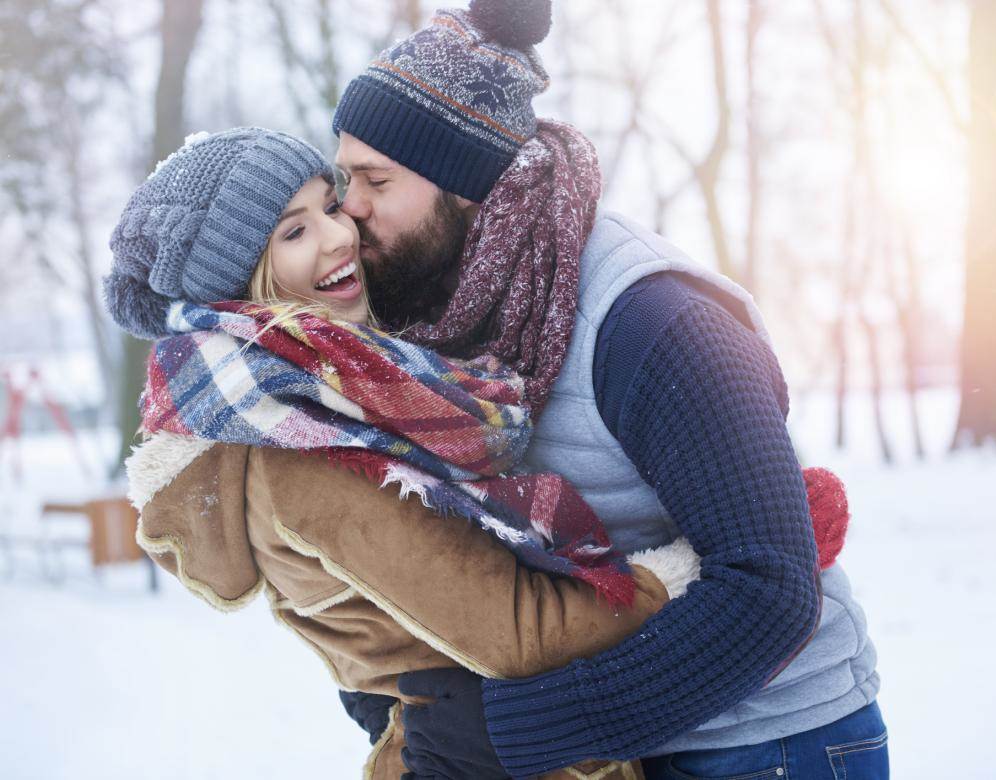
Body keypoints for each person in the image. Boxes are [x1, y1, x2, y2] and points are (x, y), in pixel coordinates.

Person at [103, 127, 844, 779]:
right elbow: (516, 631)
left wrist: (398, 695)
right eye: (295, 231)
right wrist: (688, 569)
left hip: (751, 738)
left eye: (339, 200)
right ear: (240, 291)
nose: (344, 228)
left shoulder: (338, 390)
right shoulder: (298, 443)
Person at [329, 1, 887, 778]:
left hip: (767, 744)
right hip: (612, 751)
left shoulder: (651, 323)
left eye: (374, 179)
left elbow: (770, 588)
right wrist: (398, 695)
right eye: (341, 175)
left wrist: (516, 729)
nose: (346, 207)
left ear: (467, 186)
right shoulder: (431, 313)